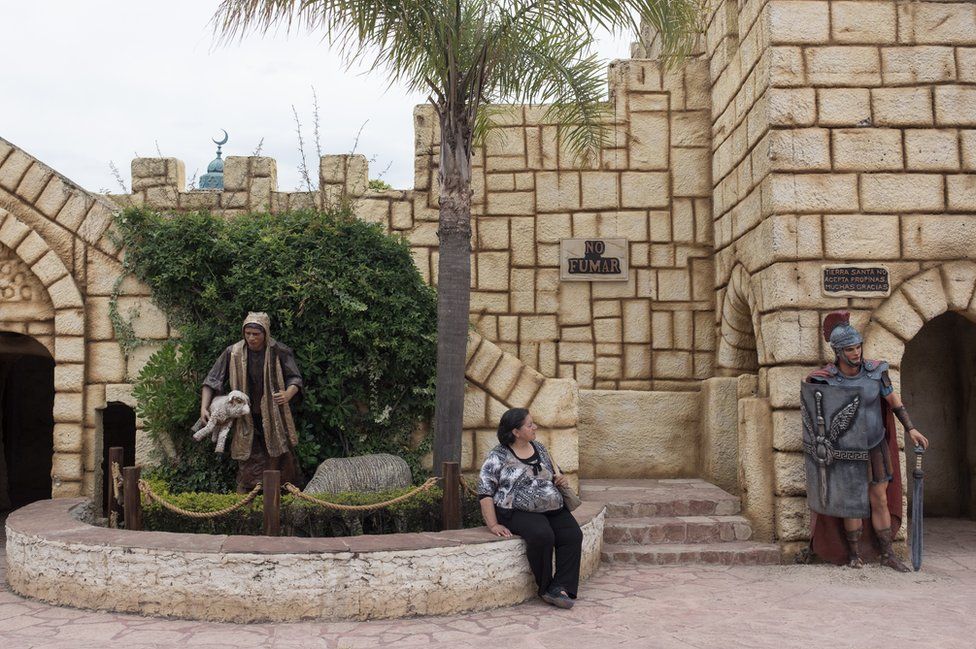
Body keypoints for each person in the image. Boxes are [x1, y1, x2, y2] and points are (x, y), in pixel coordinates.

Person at [804, 311, 929, 571]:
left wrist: (912, 429)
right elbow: (815, 410)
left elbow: (894, 403)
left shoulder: (876, 373)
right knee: (850, 503)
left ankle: (887, 554)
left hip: (874, 445)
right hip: (844, 451)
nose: (856, 353)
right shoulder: (825, 380)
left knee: (879, 499)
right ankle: (854, 554)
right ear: (838, 351)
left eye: (858, 347)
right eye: (850, 349)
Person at [477, 407, 583, 609]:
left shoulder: (540, 448)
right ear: (516, 432)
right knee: (542, 535)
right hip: (515, 511)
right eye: (529, 424)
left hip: (551, 507)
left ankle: (561, 587)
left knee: (572, 534)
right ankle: (545, 588)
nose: (535, 427)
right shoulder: (497, 456)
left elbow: (551, 473)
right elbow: (485, 490)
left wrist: (559, 479)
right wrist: (492, 524)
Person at [201, 312, 304, 492]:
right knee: (248, 461)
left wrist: (288, 394)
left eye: (256, 334)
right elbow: (212, 380)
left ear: (265, 333)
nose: (251, 338)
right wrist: (204, 407)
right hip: (245, 416)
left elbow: (295, 378)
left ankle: (280, 495)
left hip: (274, 415)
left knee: (281, 457)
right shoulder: (233, 352)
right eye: (248, 333)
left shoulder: (279, 351)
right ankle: (249, 496)